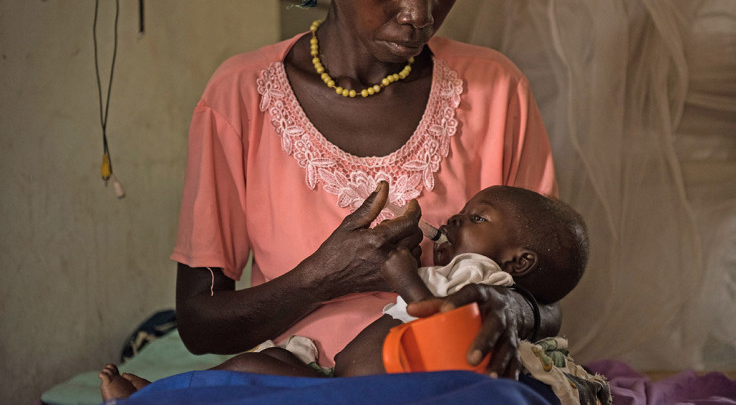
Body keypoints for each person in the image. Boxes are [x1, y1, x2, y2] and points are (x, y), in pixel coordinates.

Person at [113, 0, 560, 398]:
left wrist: (509, 308)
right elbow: (200, 325)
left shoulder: (497, 91)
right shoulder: (238, 98)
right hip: (299, 385)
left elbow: (550, 299)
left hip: (448, 382)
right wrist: (318, 278)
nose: (420, 14)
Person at [99, 185, 587, 399]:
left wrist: (393, 265)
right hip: (336, 381)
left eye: (477, 218)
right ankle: (164, 396)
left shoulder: (481, 281)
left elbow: (425, 310)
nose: (456, 218)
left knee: (251, 376)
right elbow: (198, 322)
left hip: (381, 391)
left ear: (518, 263)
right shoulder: (235, 96)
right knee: (257, 366)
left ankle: (164, 399)